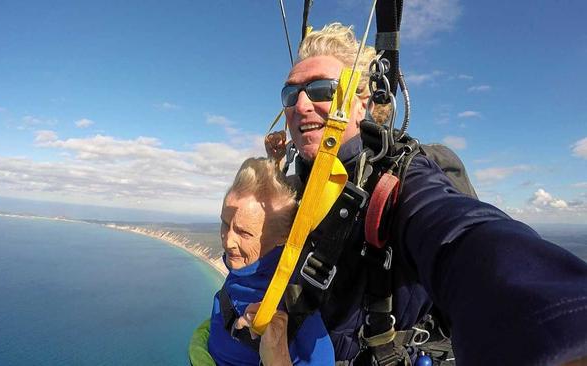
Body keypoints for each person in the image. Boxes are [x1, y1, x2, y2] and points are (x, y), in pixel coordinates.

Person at [250, 23, 587, 365]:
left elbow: (460, 234)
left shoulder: (401, 177)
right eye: (290, 95)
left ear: (360, 103)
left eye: (321, 89)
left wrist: (560, 323)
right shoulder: (301, 182)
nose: (301, 104)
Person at [190, 157, 335, 365]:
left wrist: (277, 358)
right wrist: (274, 161)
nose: (228, 241)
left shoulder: (289, 298)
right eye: (225, 224)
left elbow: (322, 357)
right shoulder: (246, 265)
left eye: (245, 233)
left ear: (282, 238)